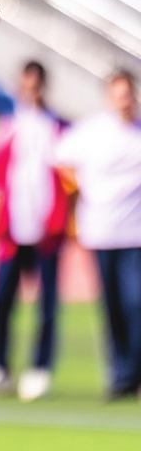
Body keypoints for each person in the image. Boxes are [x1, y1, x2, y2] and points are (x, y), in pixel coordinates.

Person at [0, 61, 68, 402]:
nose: (30, 91)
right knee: (1, 300)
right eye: (26, 84)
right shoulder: (4, 127)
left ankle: (39, 368)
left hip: (47, 229)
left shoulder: (58, 128)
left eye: (36, 85)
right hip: (9, 230)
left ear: (43, 87)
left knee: (47, 301)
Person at [55, 71, 141, 400]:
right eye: (119, 94)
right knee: (112, 307)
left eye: (129, 94)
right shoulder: (91, 132)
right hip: (101, 232)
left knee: (136, 304)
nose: (125, 101)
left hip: (136, 234)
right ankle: (120, 377)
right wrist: (83, 188)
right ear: (110, 96)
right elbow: (61, 159)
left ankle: (134, 371)